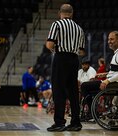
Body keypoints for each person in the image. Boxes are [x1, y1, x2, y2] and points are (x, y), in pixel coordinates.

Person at [46, 4, 85, 132]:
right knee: (73, 92)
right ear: (72, 14)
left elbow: (50, 44)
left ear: (60, 13)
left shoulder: (57, 24)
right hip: (74, 59)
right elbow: (82, 51)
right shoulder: (79, 28)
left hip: (61, 58)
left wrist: (53, 48)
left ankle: (59, 122)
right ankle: (75, 122)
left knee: (59, 91)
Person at [80, 30, 118, 110]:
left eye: (112, 39)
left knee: (84, 86)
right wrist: (105, 74)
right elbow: (117, 71)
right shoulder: (117, 53)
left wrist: (107, 80)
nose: (109, 42)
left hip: (115, 84)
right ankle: (92, 110)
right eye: (108, 39)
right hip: (113, 82)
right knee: (86, 86)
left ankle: (91, 112)